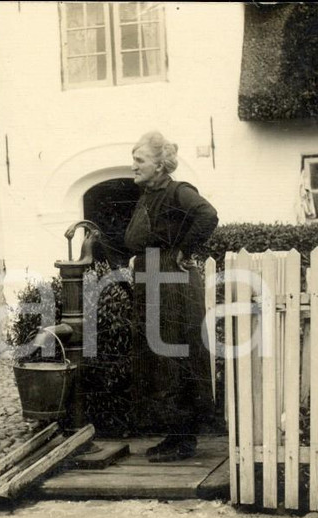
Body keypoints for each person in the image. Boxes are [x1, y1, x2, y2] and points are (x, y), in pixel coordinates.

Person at [123, 131, 219, 462]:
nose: (133, 165)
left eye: (139, 160)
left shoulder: (180, 191)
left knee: (174, 355)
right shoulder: (148, 195)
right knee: (156, 358)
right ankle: (172, 435)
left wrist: (184, 250)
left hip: (172, 283)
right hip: (152, 279)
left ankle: (184, 440)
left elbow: (208, 215)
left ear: (160, 165)